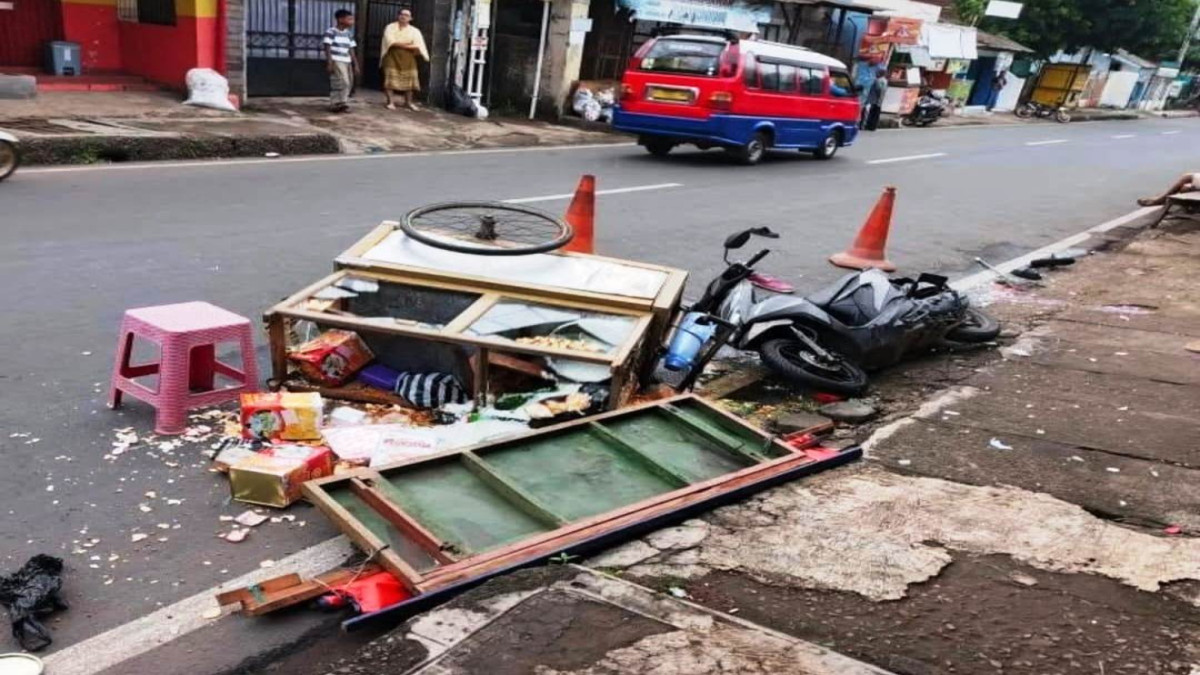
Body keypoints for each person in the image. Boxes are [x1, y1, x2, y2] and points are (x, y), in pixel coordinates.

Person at [381, 8, 429, 111]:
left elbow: (418, 46)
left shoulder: (415, 31)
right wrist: (407, 44)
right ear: (398, 16)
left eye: (406, 15)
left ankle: (408, 102)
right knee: (390, 80)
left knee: (410, 81)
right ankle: (390, 102)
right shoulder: (390, 27)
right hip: (392, 56)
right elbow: (390, 42)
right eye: (401, 14)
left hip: (409, 58)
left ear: (411, 18)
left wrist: (400, 44)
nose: (403, 16)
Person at [323, 9, 360, 113]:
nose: (352, 21)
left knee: (349, 82)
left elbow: (351, 49)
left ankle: (343, 103)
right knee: (340, 81)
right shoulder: (331, 32)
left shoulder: (348, 33)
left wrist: (355, 64)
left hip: (346, 60)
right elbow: (327, 47)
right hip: (336, 60)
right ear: (340, 19)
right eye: (349, 19)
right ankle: (335, 103)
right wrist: (329, 62)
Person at [862, 67, 888, 131]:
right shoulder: (885, 81)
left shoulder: (878, 80)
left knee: (872, 114)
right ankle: (872, 126)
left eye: (877, 72)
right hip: (878, 101)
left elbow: (879, 90)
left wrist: (877, 101)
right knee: (875, 114)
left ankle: (869, 126)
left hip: (875, 100)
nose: (876, 73)